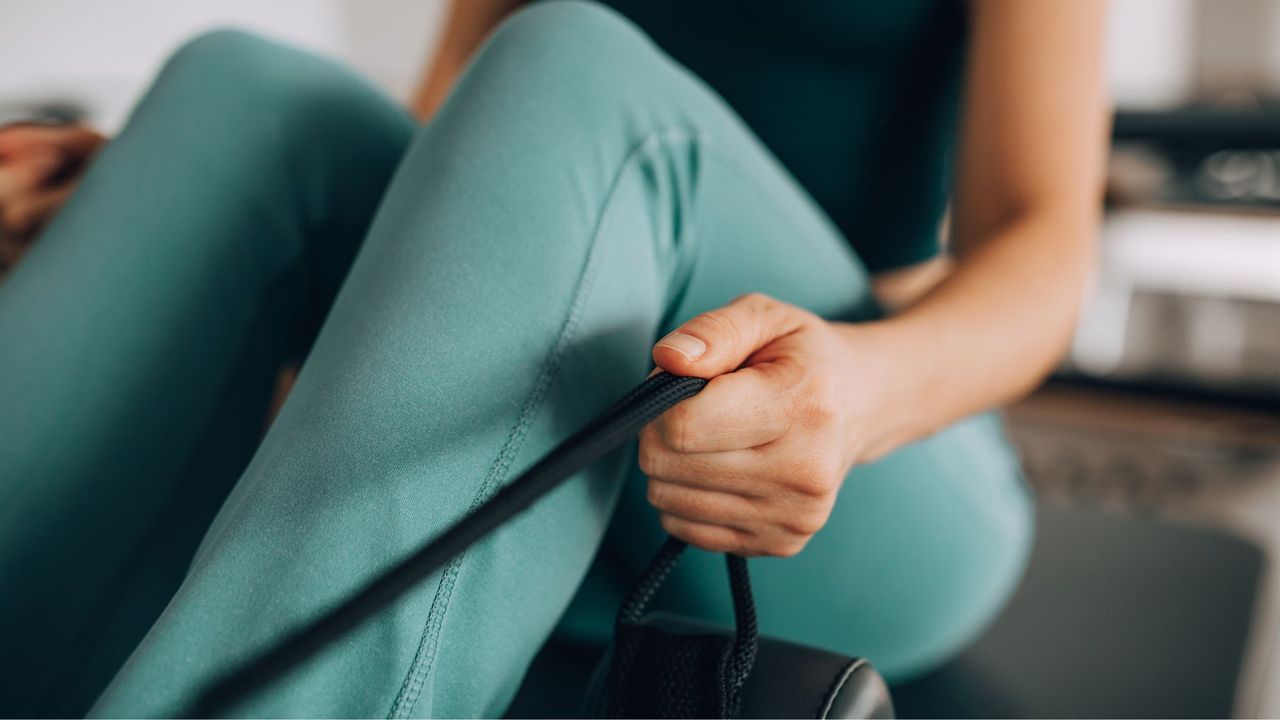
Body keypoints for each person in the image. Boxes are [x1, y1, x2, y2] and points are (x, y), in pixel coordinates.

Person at [0, 1, 1108, 716]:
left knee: (574, 57)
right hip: (559, 455)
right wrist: (164, 201)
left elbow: (1042, 246)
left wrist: (861, 395)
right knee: (236, 89)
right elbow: (448, 147)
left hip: (863, 458)